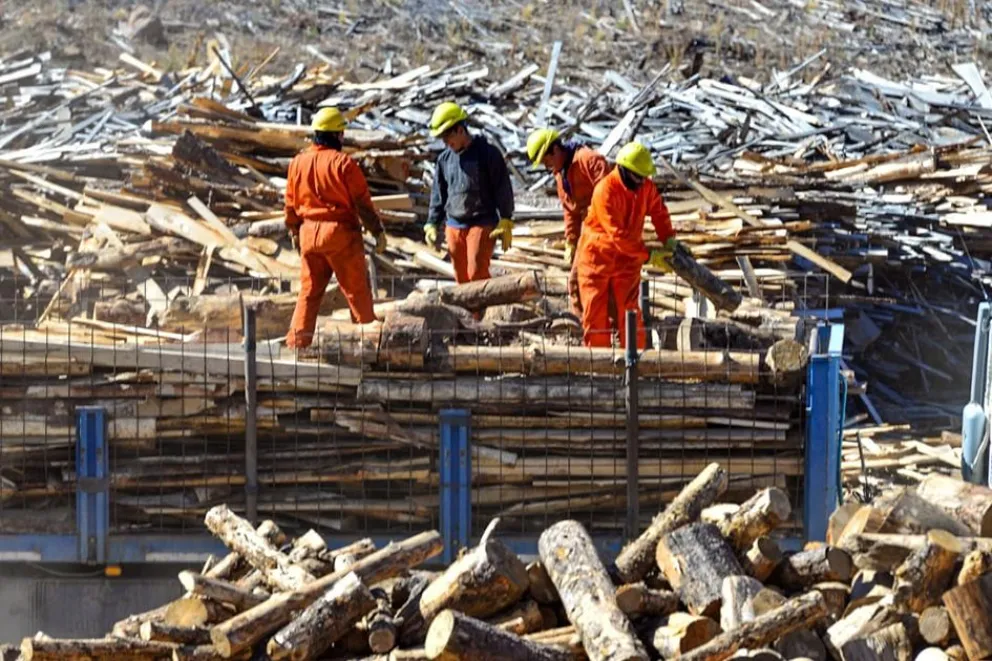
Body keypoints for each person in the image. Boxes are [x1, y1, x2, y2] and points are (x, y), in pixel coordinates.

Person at [284, 107, 387, 349]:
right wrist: (377, 231)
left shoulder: (297, 163)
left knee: (308, 293)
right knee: (357, 292)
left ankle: (297, 345)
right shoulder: (343, 163)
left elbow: (290, 204)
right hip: (339, 234)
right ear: (336, 135)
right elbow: (362, 203)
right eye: (341, 133)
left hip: (309, 234)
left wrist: (294, 231)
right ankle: (368, 345)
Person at [575, 141, 680, 349]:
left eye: (644, 177)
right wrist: (649, 256)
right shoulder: (605, 190)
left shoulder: (644, 186)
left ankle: (634, 360)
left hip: (627, 260)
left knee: (630, 313)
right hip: (597, 258)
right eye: (638, 177)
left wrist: (668, 238)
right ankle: (598, 363)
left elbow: (659, 212)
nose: (642, 182)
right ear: (623, 169)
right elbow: (618, 236)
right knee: (595, 316)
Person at [424, 102, 514, 284]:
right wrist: (432, 223)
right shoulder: (444, 160)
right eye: (442, 138)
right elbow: (439, 194)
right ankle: (468, 304)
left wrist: (506, 218)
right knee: (461, 278)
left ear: (460, 130)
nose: (445, 142)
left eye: (447, 136)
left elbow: (502, 187)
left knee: (476, 273)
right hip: (454, 224)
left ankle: (484, 303)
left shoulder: (488, 154)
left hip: (482, 222)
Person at [526, 128, 609, 317]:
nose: (547, 167)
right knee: (577, 282)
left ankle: (607, 325)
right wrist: (571, 241)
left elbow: (610, 197)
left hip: (604, 228)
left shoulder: (588, 160)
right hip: (589, 230)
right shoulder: (560, 175)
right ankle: (583, 324)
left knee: (593, 280)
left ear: (555, 149)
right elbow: (570, 211)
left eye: (546, 161)